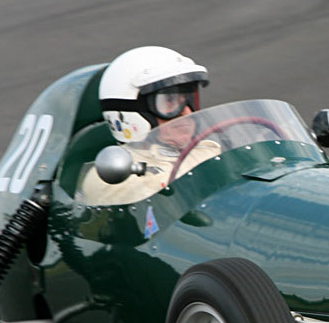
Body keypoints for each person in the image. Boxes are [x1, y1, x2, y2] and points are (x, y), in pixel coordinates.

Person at [77, 46, 221, 205]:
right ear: (132, 110)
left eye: (189, 100)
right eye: (170, 102)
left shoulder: (208, 151)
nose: (187, 113)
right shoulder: (108, 175)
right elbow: (162, 201)